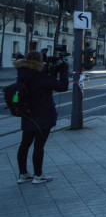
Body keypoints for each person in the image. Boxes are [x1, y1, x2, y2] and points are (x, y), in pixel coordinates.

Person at [15, 51, 69, 184]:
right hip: (43, 115)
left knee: (25, 144)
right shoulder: (41, 77)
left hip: (27, 114)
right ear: (39, 61)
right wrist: (64, 71)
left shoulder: (22, 74)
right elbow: (63, 87)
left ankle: (23, 174)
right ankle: (38, 175)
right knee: (39, 146)